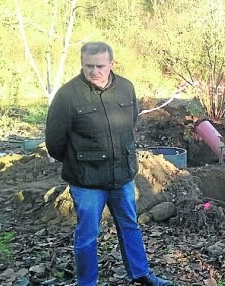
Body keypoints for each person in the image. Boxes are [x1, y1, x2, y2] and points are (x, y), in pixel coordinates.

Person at [45, 41, 173, 286]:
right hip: (87, 181)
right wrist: (81, 162)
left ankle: (141, 273)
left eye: (100, 66)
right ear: (82, 64)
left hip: (122, 176)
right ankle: (87, 283)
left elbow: (131, 124)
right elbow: (55, 142)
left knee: (129, 226)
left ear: (111, 64)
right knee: (87, 236)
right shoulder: (67, 95)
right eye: (88, 66)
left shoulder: (126, 88)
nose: (94, 71)